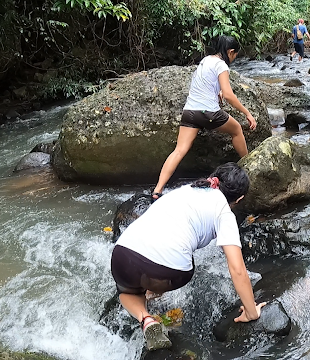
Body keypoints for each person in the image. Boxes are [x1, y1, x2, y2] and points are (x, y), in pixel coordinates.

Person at [111, 162, 267, 351]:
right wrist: (251, 312)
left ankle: (146, 318)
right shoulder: (224, 213)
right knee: (179, 262)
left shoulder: (186, 190)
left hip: (122, 254)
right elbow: (237, 269)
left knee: (126, 292)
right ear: (239, 198)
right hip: (167, 269)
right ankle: (153, 290)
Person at [150, 36, 257, 201]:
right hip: (208, 113)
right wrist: (247, 113)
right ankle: (249, 167)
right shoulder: (221, 65)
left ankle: (157, 190)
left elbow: (207, 84)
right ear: (230, 52)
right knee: (236, 130)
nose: (234, 58)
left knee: (179, 150)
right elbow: (228, 95)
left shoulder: (206, 60)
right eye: (235, 55)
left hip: (190, 112)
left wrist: (217, 92)